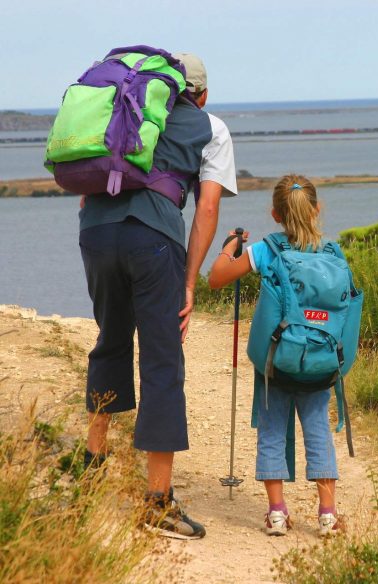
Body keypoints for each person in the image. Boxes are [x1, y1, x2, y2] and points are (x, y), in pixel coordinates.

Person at [79, 52, 237, 539]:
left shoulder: (124, 106)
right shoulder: (210, 127)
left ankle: (91, 467)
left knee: (111, 339)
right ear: (202, 94)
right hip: (154, 242)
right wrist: (189, 282)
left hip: (98, 233)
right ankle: (157, 503)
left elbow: (88, 188)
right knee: (162, 361)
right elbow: (207, 208)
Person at [208, 174, 343, 537]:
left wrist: (229, 247)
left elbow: (216, 278)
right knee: (318, 432)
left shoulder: (266, 250)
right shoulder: (333, 253)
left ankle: (278, 514)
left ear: (274, 214)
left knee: (271, 431)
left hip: (275, 359)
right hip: (320, 360)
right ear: (316, 210)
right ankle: (328, 515)